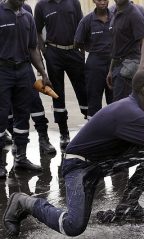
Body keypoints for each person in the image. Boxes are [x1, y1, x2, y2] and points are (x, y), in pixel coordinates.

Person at [3, 70, 144, 237]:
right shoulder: (132, 114)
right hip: (78, 166)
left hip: (99, 164)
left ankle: (128, 206)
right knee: (73, 225)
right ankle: (24, 202)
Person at [0, 0, 50, 178]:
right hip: (2, 71)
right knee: (2, 116)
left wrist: (43, 73)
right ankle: (1, 164)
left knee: (22, 115)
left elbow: (32, 48)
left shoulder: (27, 17)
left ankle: (21, 157)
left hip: (23, 70)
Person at [34, 0, 88, 151]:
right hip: (53, 53)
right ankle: (64, 133)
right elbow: (37, 31)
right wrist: (45, 52)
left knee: (83, 91)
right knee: (57, 93)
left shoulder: (73, 2)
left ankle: (89, 126)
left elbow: (81, 25)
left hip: (74, 51)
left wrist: (81, 52)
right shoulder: (41, 5)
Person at [7, 2, 56, 156]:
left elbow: (32, 43)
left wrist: (41, 71)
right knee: (7, 109)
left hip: (25, 67)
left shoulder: (26, 10)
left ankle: (43, 138)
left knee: (35, 103)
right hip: (4, 71)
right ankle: (16, 140)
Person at [74, 0, 113, 119]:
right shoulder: (87, 21)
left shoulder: (116, 18)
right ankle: (94, 131)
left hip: (114, 63)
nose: (103, 2)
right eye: (99, 0)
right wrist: (90, 48)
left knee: (115, 100)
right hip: (95, 64)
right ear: (94, 1)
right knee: (94, 100)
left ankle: (115, 131)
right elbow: (77, 42)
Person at [106, 0, 144, 101]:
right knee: (121, 105)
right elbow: (117, 45)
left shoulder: (134, 14)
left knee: (124, 106)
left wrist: (142, 67)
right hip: (117, 67)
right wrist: (110, 70)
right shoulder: (115, 13)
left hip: (128, 69)